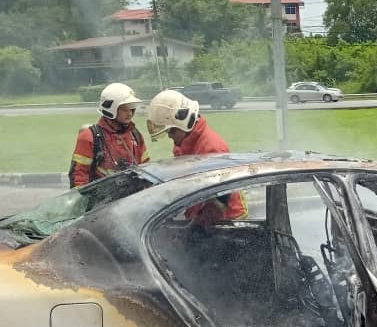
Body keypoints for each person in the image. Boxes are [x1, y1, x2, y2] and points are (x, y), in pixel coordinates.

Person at [146, 89, 246, 224]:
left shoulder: (213, 149)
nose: (169, 136)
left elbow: (219, 201)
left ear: (185, 120)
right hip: (201, 214)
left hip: (227, 220)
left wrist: (194, 230)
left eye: (172, 131)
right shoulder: (183, 142)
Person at [68, 82, 149, 188]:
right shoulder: (90, 137)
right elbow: (79, 175)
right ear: (111, 108)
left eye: (132, 109)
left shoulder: (135, 135)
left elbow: (146, 169)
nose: (130, 114)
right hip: (102, 201)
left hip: (132, 200)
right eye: (125, 109)